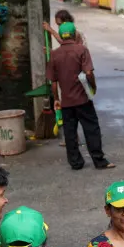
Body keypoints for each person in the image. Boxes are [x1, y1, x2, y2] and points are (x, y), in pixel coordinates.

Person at [47, 21, 114, 171]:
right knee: (91, 129)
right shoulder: (81, 50)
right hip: (82, 99)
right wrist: (93, 87)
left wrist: (56, 99)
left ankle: (76, 163)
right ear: (73, 34)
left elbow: (53, 82)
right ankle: (99, 160)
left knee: (70, 133)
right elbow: (89, 72)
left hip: (66, 102)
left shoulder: (54, 54)